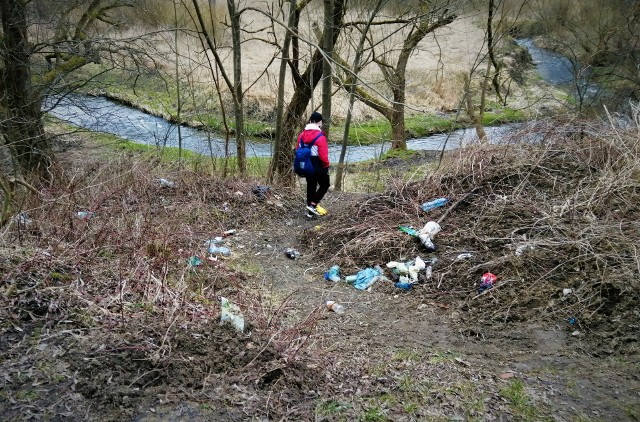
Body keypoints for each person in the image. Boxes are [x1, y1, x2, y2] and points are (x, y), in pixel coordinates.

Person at [296, 111, 330, 218]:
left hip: (306, 164)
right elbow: (323, 156)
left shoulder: (301, 135)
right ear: (319, 122)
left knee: (311, 186)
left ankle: (310, 213)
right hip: (318, 164)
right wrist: (326, 165)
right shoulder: (320, 137)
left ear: (310, 121)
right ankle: (313, 204)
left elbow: (297, 149)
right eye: (321, 122)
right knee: (325, 185)